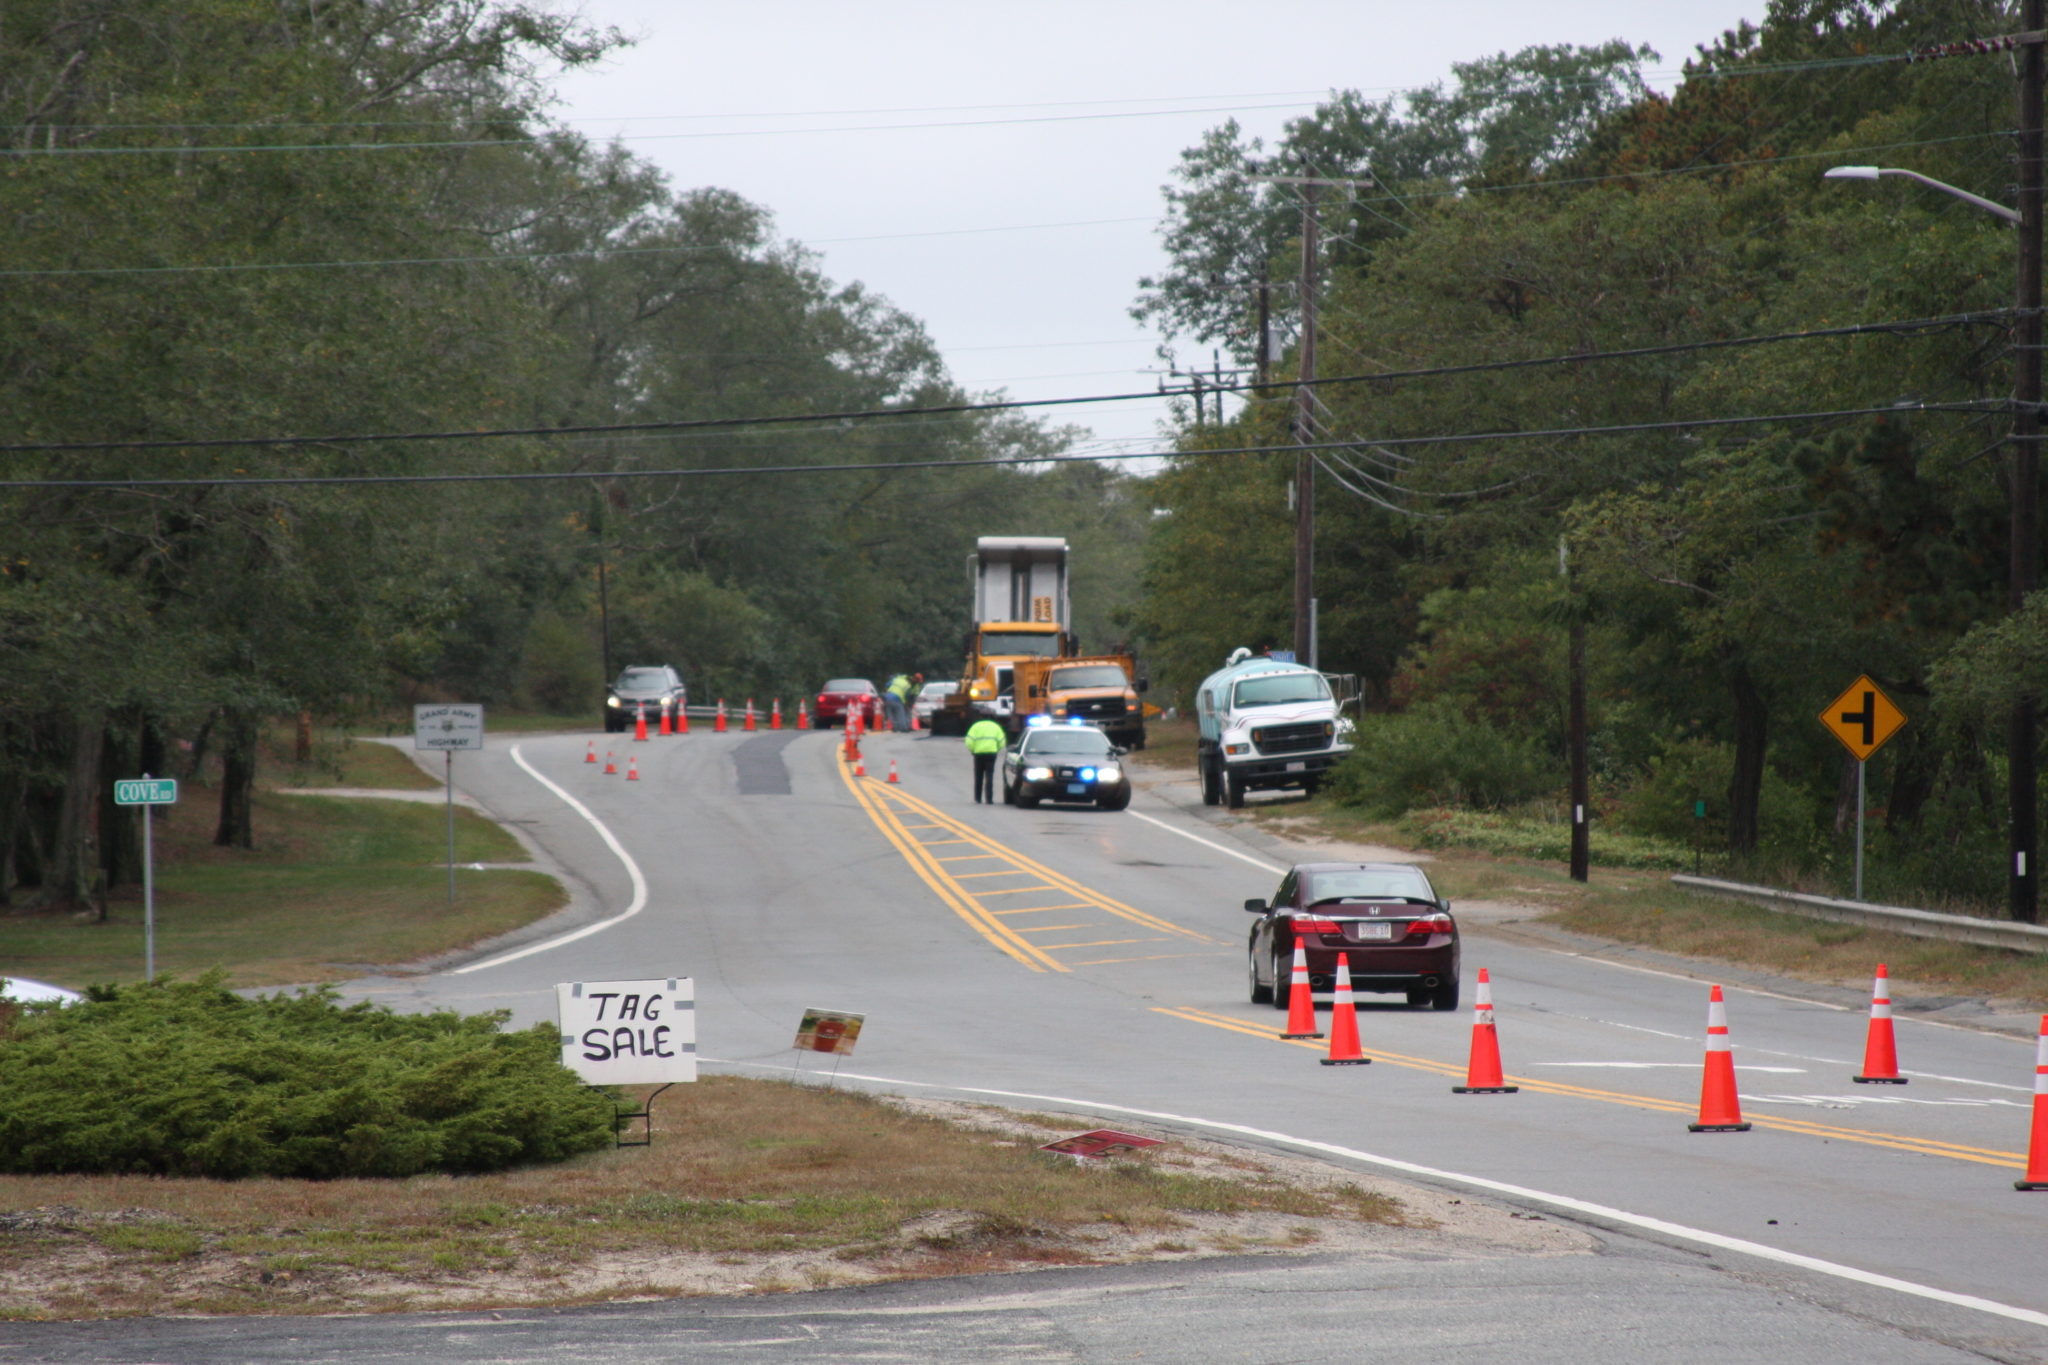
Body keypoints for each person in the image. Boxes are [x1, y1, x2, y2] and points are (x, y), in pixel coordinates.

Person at [964, 715, 1006, 803]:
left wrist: (973, 750)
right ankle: (989, 799)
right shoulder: (996, 727)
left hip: (978, 754)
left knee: (978, 776)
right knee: (989, 776)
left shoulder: (975, 726)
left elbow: (969, 741)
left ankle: (978, 798)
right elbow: (1002, 742)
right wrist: (996, 749)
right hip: (991, 753)